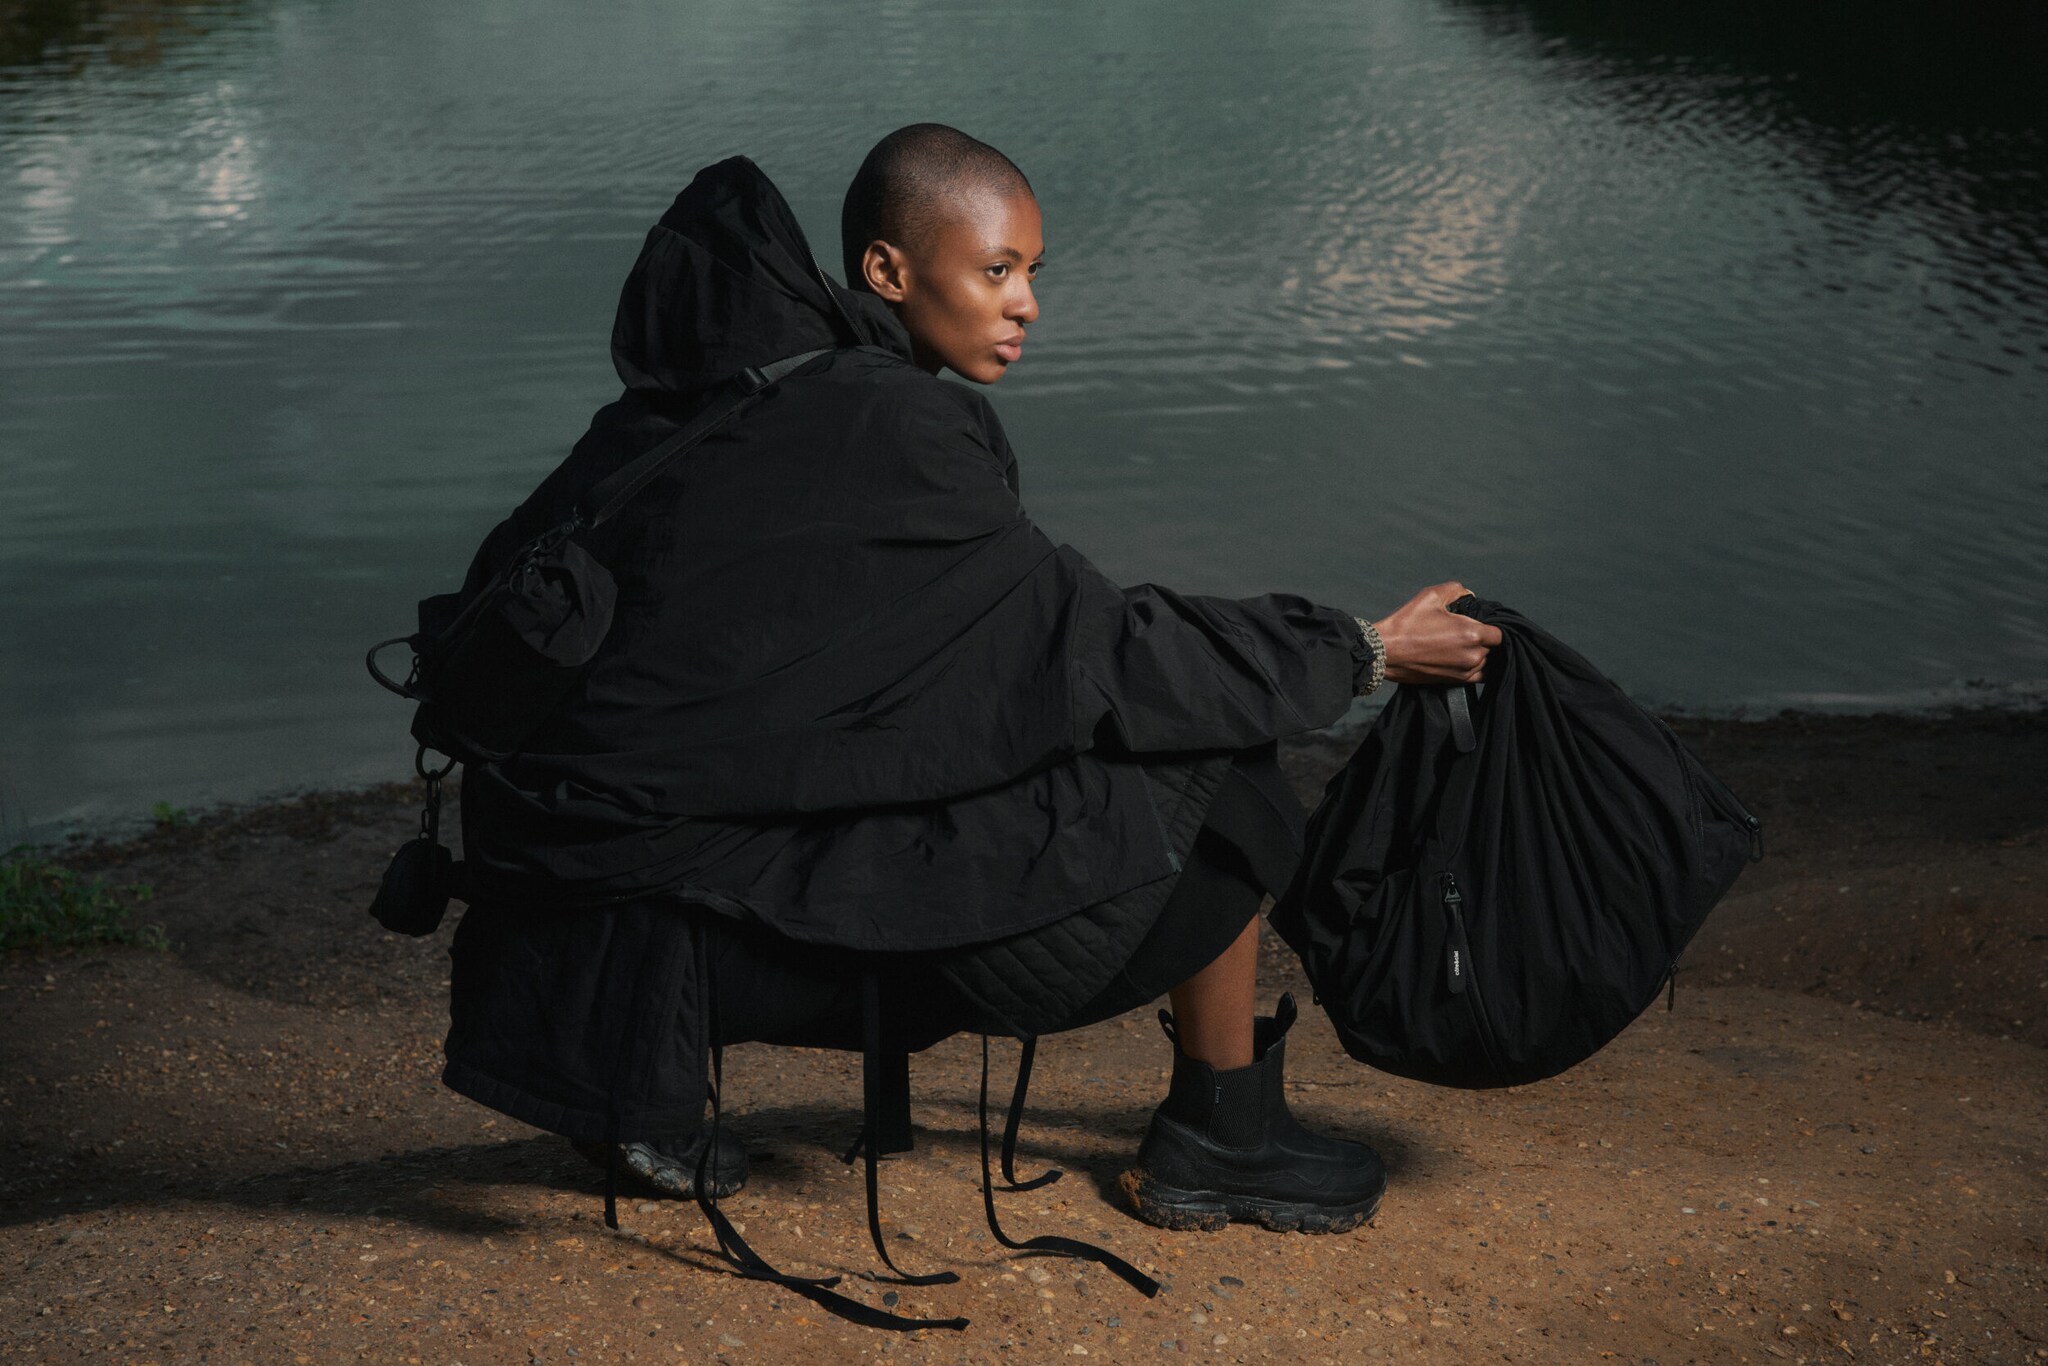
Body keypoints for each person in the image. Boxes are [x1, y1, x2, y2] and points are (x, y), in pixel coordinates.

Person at [439, 125, 1499, 1252]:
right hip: (654, 905)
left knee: (1104, 726)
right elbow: (1098, 649)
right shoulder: (893, 422)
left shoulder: (733, 394)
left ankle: (633, 1071)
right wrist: (1361, 651)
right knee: (1220, 770)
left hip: (558, 883)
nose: (1025, 304)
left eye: (1033, 273)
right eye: (994, 271)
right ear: (888, 273)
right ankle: (1220, 1138)